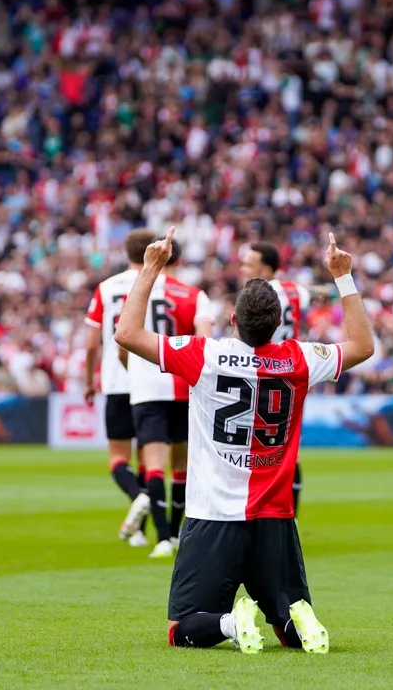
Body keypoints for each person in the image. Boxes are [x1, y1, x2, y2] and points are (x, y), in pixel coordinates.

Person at [116, 229, 374, 654]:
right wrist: (343, 276)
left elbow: (127, 334)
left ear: (233, 320)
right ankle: (296, 618)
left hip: (213, 514)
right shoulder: (300, 358)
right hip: (275, 515)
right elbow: (363, 344)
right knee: (285, 625)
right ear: (278, 326)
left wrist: (149, 269)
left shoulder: (205, 355)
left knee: (182, 628)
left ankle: (231, 623)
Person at [123, 235, 214, 558]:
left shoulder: (139, 291)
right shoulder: (194, 295)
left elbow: (124, 339)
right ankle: (178, 534)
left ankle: (162, 537)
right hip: (183, 385)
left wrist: (130, 369)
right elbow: (205, 340)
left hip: (147, 388)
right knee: (182, 466)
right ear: (179, 261)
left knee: (154, 464)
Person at [84, 229, 154, 548]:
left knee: (118, 458)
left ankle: (137, 496)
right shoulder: (159, 284)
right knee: (149, 458)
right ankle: (141, 529)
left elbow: (90, 345)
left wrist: (89, 380)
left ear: (126, 252)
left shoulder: (106, 287)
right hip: (153, 382)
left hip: (116, 382)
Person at [240, 242, 316, 512]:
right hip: (291, 371)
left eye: (249, 264)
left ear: (266, 267)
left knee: (259, 445)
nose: (243, 269)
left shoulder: (254, 294)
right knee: (288, 444)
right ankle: (289, 512)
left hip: (260, 369)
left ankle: (259, 505)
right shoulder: (297, 291)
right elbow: (308, 304)